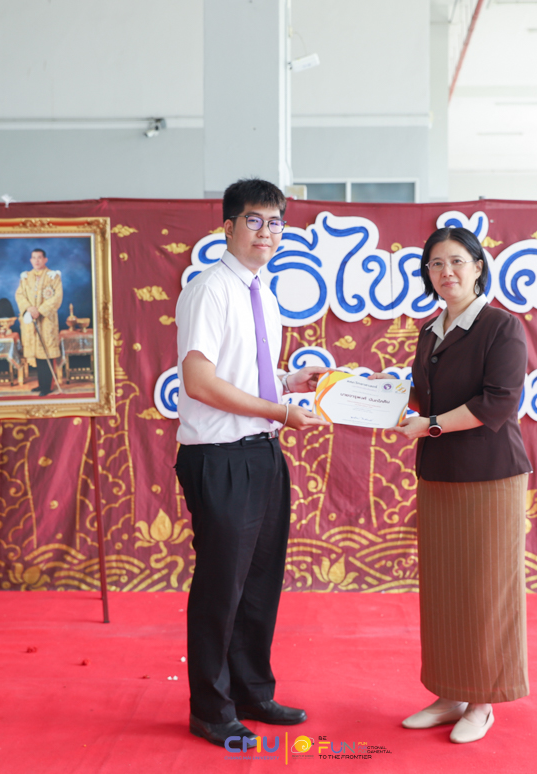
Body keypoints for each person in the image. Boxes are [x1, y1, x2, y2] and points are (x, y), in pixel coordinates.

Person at [175, 178, 327, 748]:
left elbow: (243, 371)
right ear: (228, 226)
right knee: (221, 587)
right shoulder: (209, 290)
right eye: (255, 221)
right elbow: (200, 381)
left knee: (260, 582)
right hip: (220, 458)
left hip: (263, 451)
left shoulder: (265, 293)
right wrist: (279, 410)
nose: (267, 232)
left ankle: (251, 692)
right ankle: (211, 709)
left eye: (276, 222)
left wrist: (288, 381)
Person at [388, 225, 531, 744]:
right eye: (435, 264)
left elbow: (498, 402)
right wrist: (383, 395)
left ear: (477, 267)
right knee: (444, 589)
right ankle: (449, 694)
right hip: (439, 473)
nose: (445, 272)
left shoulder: (501, 326)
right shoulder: (430, 330)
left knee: (485, 589)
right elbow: (427, 399)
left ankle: (482, 702)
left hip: (491, 475)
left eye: (456, 261)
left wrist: (428, 425)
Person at [15, 248, 63, 396]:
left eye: (39, 257)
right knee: (37, 354)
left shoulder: (53, 276)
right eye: (34, 258)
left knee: (46, 353)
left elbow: (57, 297)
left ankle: (48, 386)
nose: (36, 260)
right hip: (31, 320)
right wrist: (29, 309)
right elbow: (19, 294)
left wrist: (40, 311)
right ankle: (42, 384)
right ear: (31, 260)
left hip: (46, 321)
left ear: (45, 259)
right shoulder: (26, 277)